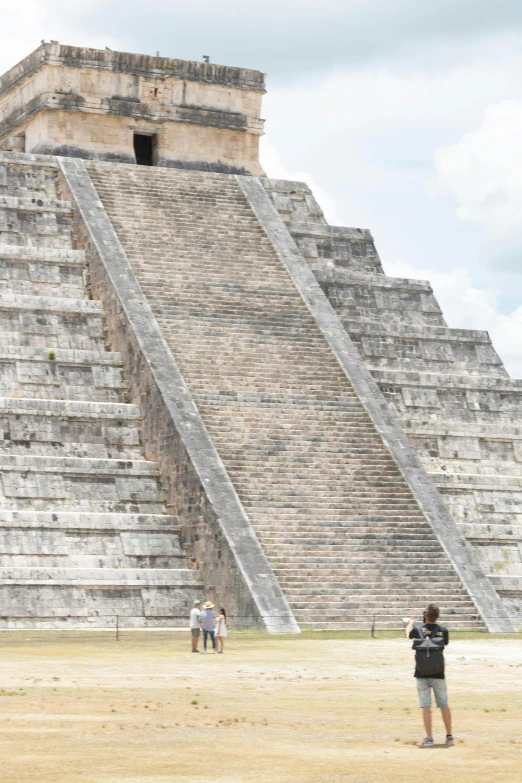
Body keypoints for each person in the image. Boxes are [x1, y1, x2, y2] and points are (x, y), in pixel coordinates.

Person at [405, 604, 454, 748]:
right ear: (437, 616)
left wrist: (410, 624)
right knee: (444, 705)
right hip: (439, 673)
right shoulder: (443, 631)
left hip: (421, 672)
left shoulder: (418, 630)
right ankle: (449, 736)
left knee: (426, 706)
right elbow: (444, 643)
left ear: (425, 615)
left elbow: (408, 635)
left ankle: (429, 737)